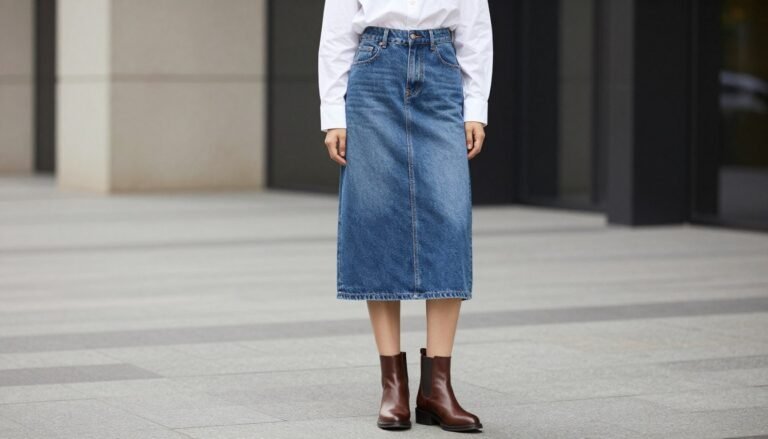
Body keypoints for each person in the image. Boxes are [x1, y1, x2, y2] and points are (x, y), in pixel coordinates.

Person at [318, 0, 492, 432]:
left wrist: (476, 107)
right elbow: (337, 33)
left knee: (451, 220)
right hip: (374, 71)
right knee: (376, 219)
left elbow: (475, 28)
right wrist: (333, 115)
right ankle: (393, 387)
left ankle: (437, 389)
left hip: (440, 69)